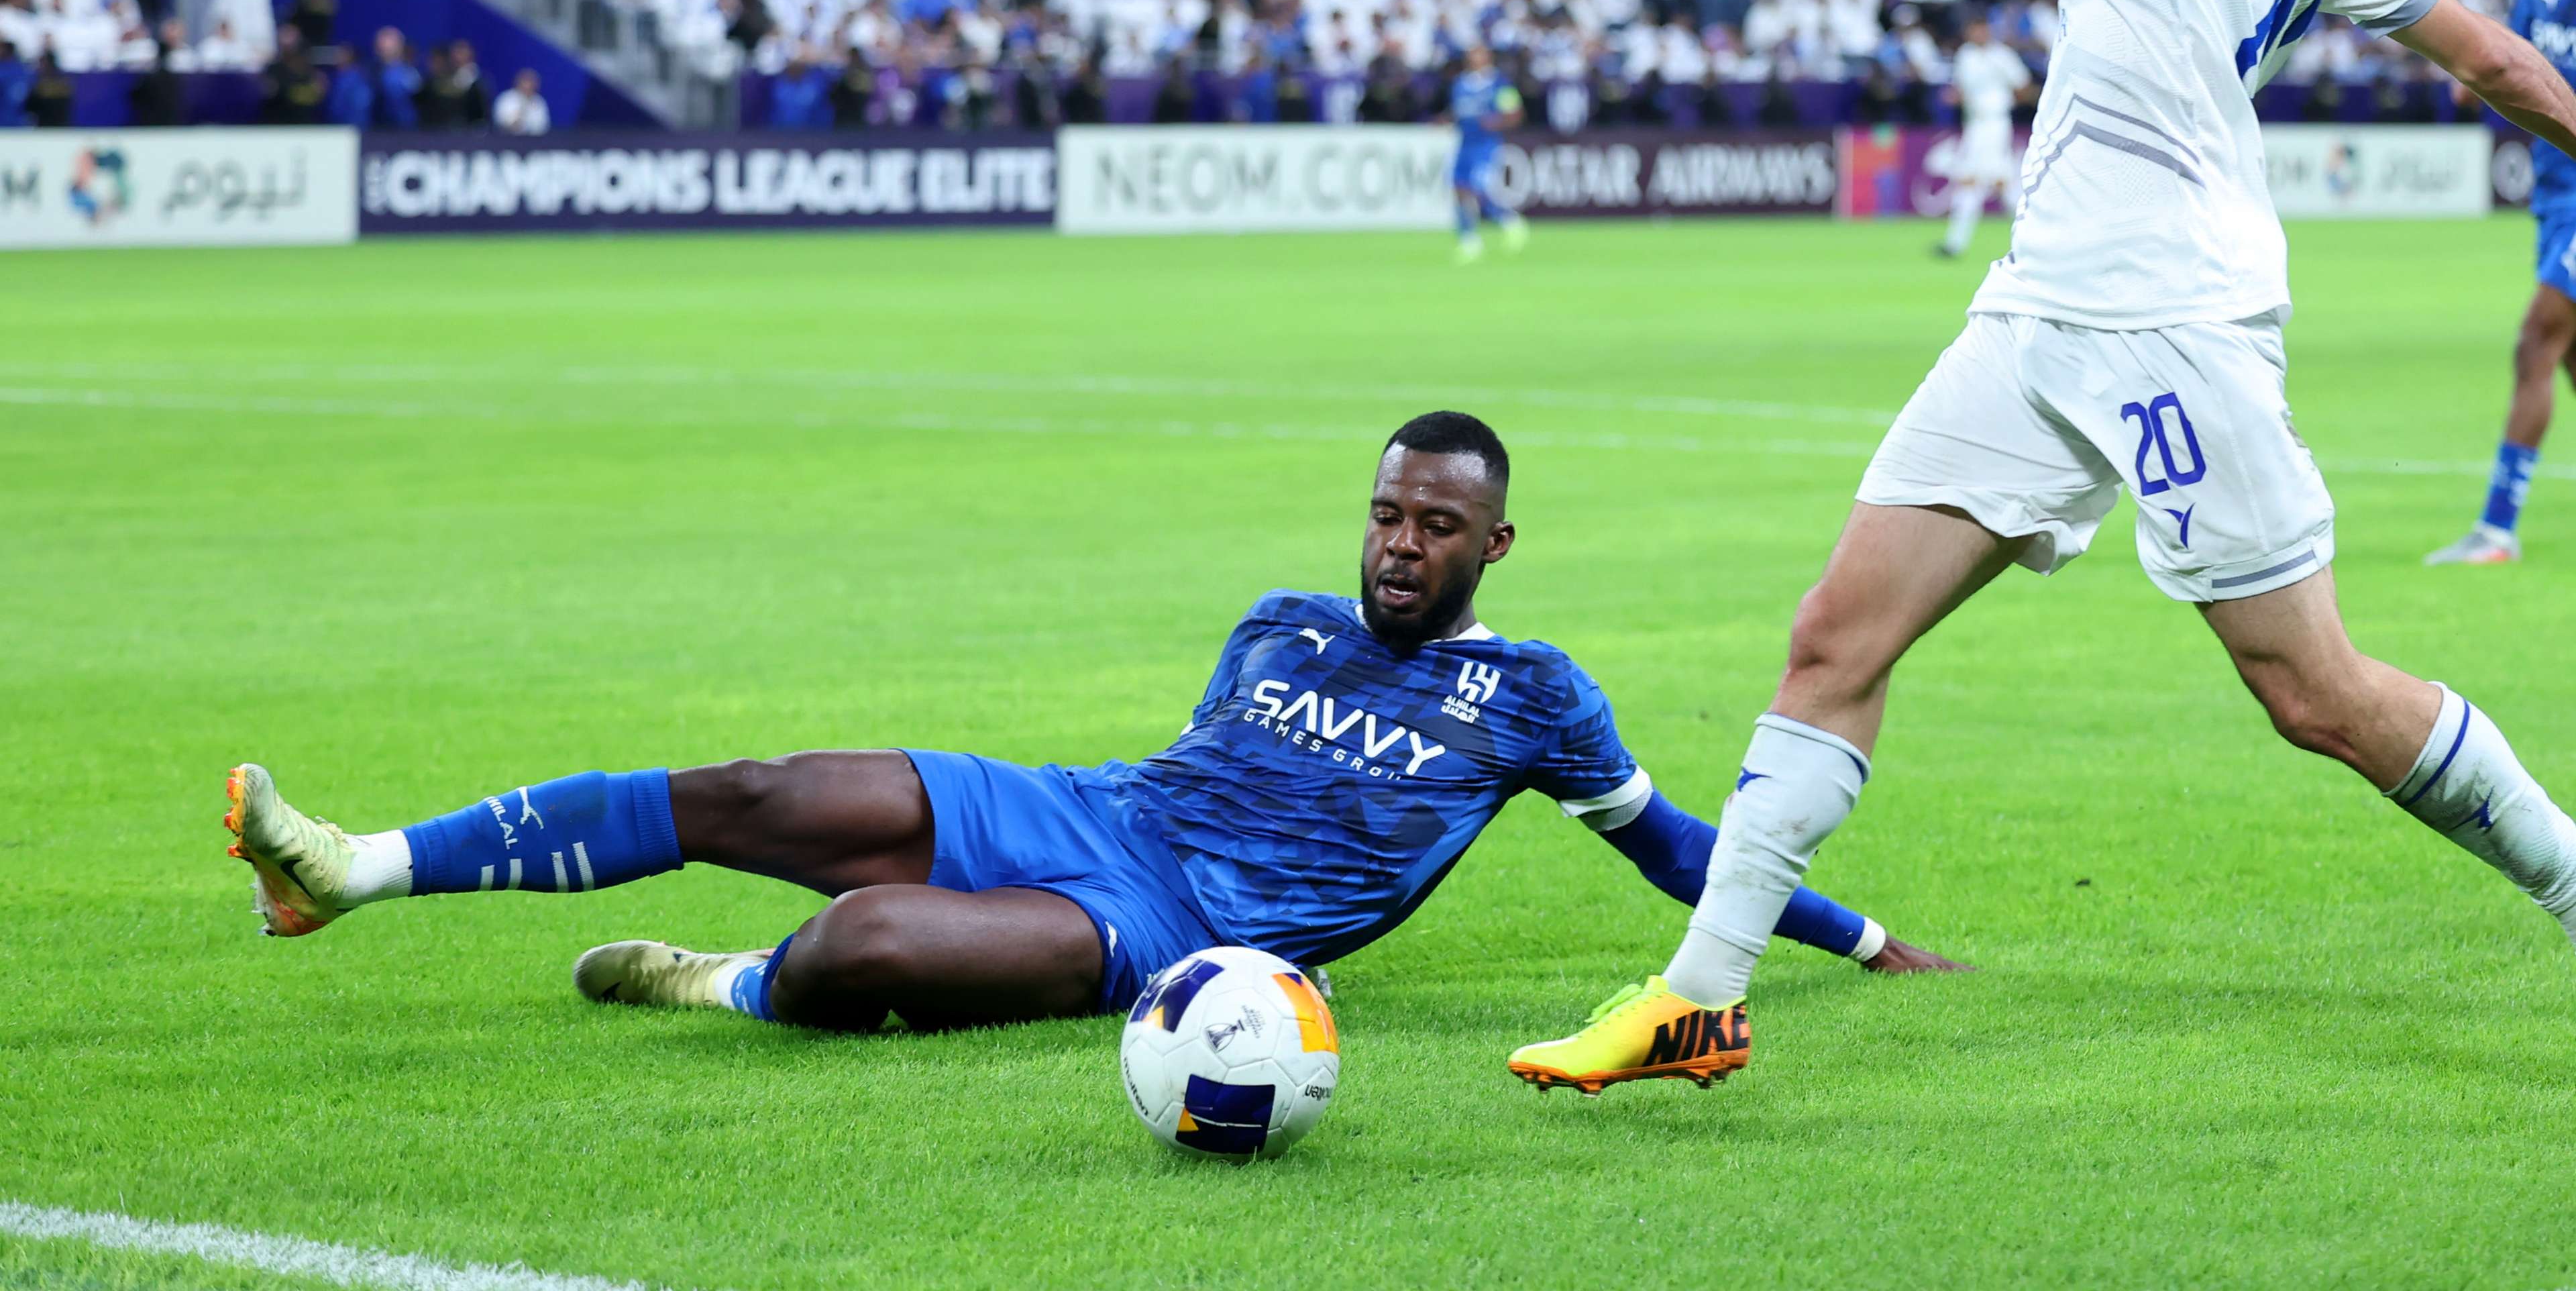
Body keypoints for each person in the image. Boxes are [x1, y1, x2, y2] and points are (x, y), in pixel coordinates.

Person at [1509, 0, 2576, 1096]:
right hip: (2036, 315)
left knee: (2317, 694)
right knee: (1835, 637)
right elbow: (2498, 63)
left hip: (2172, 318)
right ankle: (1701, 997)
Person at [222, 414, 1963, 1035]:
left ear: (1492, 546)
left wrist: (1855, 930)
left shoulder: (1530, 697)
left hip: (1174, 932)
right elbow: (1193, 770)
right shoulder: (1276, 623)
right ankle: (349, 868)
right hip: (1079, 816)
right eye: (1385, 513)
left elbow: (1675, 852)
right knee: (755, 783)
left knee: (855, 947)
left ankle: (722, 978)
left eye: (1437, 527)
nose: (1400, 545)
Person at [2426, 0, 2576, 566]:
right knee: (2568, 353)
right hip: (2554, 197)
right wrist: (2464, 87)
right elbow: (2503, 64)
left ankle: (2496, 530)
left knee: (2535, 342)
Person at [1935, 15, 2033, 260]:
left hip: (1995, 123)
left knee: (1992, 182)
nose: (1977, 34)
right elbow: (1962, 88)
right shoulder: (1965, 55)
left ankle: (2029, 239)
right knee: (1991, 182)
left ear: (1987, 30)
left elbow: (2023, 86)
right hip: (1974, 125)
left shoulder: (2002, 55)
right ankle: (1956, 243)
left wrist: (2001, 103)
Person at [1446, 44, 1527, 263]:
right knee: (1459, 189)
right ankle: (1469, 241)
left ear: (1488, 57)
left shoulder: (1499, 83)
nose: (1475, 58)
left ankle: (1508, 220)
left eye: (1479, 54)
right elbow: (1459, 112)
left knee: (1479, 189)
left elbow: (1515, 113)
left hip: (1486, 144)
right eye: (1472, 54)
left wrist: (1496, 121)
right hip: (1465, 144)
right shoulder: (1460, 84)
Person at [492, 68, 548, 134]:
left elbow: (543, 126)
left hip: (533, 141)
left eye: (531, 83)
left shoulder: (539, 101)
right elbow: (500, 121)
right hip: (507, 139)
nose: (528, 86)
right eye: (525, 82)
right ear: (518, 82)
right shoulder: (506, 99)